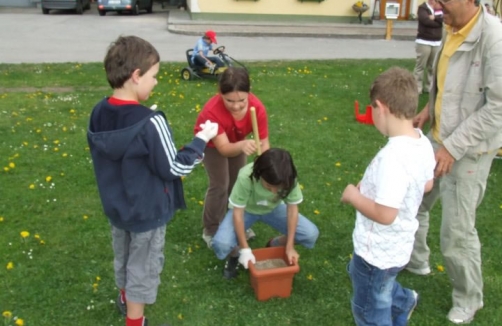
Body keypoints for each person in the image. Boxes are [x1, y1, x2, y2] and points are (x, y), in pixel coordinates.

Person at [87, 35, 218, 326]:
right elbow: (173, 167)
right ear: (136, 76)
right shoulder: (150, 121)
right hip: (146, 210)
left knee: (123, 255)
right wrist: (201, 141)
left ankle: (124, 295)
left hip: (117, 207)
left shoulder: (98, 112)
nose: (156, 82)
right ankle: (135, 320)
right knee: (143, 267)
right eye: (153, 76)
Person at [408, 0, 502, 323]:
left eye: (442, 0)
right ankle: (417, 261)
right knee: (417, 200)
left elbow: (497, 109)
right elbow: (445, 84)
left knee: (457, 231)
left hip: (470, 150)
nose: (436, 6)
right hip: (441, 138)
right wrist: (428, 110)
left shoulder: (494, 39)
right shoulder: (452, 27)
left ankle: (468, 298)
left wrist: (452, 147)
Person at [341, 67, 436, 326]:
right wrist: (374, 186)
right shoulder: (421, 141)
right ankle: (404, 301)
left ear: (380, 108)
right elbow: (426, 184)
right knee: (380, 285)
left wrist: (352, 195)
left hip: (377, 254)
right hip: (399, 247)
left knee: (369, 310)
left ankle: (399, 304)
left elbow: (385, 214)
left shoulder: (392, 158)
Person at [212, 148, 319, 279]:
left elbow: (292, 209)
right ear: (259, 174)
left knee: (310, 234)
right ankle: (235, 254)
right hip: (246, 210)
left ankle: (275, 243)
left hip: (273, 209)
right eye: (269, 186)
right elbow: (238, 213)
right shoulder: (246, 176)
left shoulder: (288, 177)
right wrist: (245, 249)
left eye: (278, 188)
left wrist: (289, 246)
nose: (274, 192)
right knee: (222, 243)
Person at [194, 67, 270, 249]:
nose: (236, 106)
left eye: (242, 101)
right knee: (220, 185)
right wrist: (243, 146)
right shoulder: (211, 111)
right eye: (229, 101)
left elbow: (264, 142)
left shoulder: (257, 108)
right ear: (220, 93)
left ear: (249, 93)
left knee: (238, 183)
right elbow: (225, 149)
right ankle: (211, 230)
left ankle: (236, 224)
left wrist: (266, 165)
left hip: (237, 141)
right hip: (213, 144)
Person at [413, 0, 443, 95]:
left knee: (432, 66)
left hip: (437, 42)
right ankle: (417, 87)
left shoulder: (440, 7)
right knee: (420, 66)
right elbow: (426, 21)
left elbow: (444, 20)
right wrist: (438, 22)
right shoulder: (423, 8)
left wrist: (434, 18)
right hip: (424, 41)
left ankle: (429, 86)